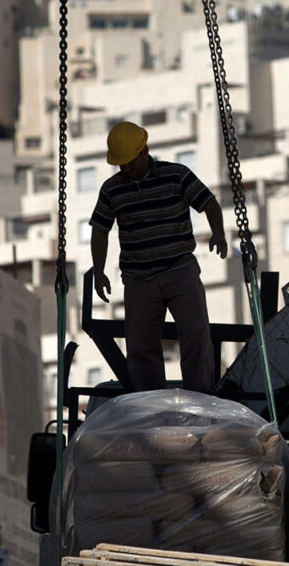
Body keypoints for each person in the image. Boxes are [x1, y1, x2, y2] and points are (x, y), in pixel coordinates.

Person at [88, 121, 227, 392]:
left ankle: (200, 397)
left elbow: (208, 202)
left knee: (196, 336)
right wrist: (98, 270)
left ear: (145, 151)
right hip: (139, 280)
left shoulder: (176, 175)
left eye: (129, 161)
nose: (125, 167)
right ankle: (151, 402)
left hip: (180, 270)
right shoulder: (112, 189)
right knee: (140, 347)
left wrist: (219, 233)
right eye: (121, 163)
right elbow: (99, 230)